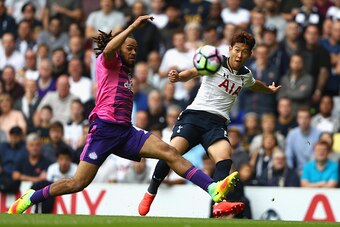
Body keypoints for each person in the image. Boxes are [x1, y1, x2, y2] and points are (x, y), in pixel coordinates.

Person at [8, 15, 235, 215]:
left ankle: (212, 188)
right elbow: (108, 49)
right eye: (130, 48)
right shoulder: (107, 62)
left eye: (136, 49)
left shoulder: (126, 71)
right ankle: (30, 197)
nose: (134, 52)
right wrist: (133, 25)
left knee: (169, 151)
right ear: (119, 48)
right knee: (78, 183)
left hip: (126, 132)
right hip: (103, 132)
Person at [138, 31, 281, 217]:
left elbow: (254, 84)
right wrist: (179, 77)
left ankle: (218, 204)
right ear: (230, 49)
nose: (239, 55)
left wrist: (268, 90)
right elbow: (193, 72)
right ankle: (151, 191)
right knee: (170, 152)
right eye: (236, 50)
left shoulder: (246, 75)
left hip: (217, 123)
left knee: (225, 158)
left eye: (244, 51)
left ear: (249, 54)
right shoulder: (215, 62)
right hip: (194, 116)